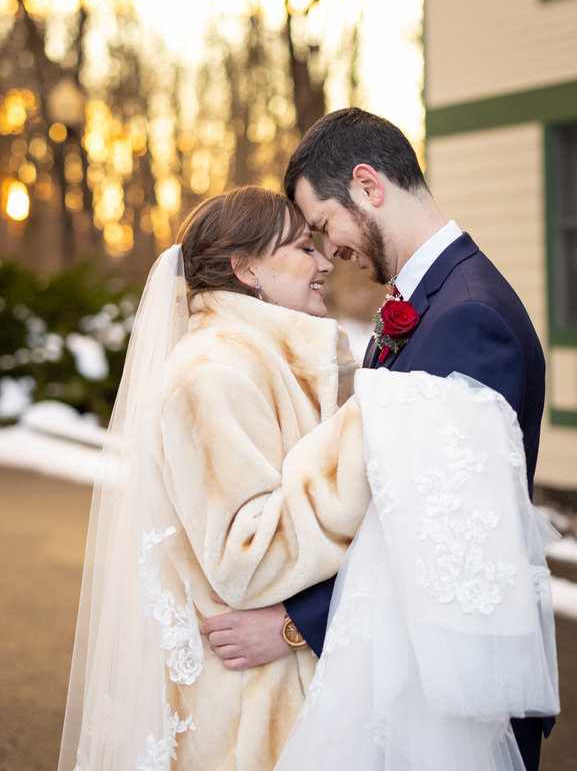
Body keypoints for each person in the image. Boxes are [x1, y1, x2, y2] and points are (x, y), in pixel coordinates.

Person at [203, 109, 553, 771]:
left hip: (446, 698)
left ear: (368, 186)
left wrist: (292, 625)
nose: (328, 252)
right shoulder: (437, 300)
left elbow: (434, 537)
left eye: (323, 226)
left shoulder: (467, 317)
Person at [58, 186, 370, 771]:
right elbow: (244, 555)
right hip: (249, 717)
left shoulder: (260, 359)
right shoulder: (213, 373)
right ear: (245, 267)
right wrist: (359, 440)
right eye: (304, 247)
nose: (325, 261)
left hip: (280, 689)